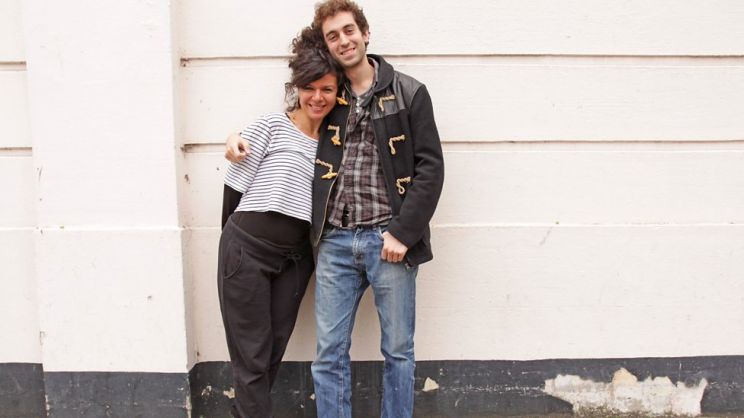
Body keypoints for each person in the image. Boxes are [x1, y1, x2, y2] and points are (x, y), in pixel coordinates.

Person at [225, 1, 444, 416]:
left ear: (365, 33)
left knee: (398, 351)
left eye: (348, 30)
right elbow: (292, 125)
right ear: (326, 45)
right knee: (328, 354)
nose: (343, 40)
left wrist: (404, 232)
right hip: (334, 243)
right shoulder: (329, 94)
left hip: (388, 240)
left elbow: (430, 168)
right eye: (332, 36)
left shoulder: (409, 92)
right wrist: (236, 136)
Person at [217, 27, 340, 418]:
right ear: (296, 89)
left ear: (338, 92)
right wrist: (233, 250)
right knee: (252, 354)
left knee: (271, 351)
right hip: (247, 252)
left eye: (327, 89)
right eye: (309, 88)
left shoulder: (335, 146)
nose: (317, 97)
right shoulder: (270, 125)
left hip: (295, 260)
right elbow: (232, 192)